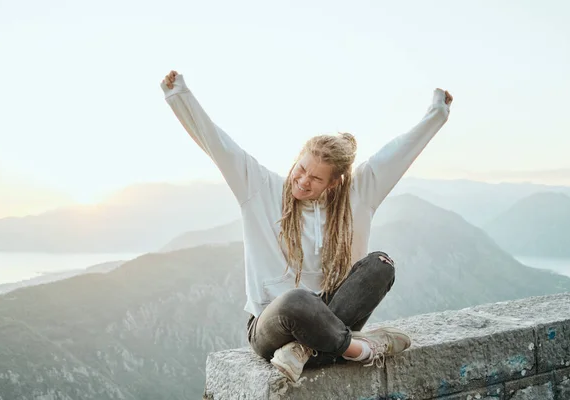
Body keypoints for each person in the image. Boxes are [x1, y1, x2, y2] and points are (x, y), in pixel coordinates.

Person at [161, 70, 453, 383]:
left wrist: (437, 113)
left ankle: (304, 350)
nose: (302, 181)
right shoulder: (259, 188)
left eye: (315, 179)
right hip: (272, 325)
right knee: (297, 300)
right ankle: (361, 350)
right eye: (301, 169)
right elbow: (217, 144)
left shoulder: (358, 195)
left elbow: (399, 153)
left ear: (334, 183)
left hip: (331, 312)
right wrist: (179, 94)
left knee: (380, 265)